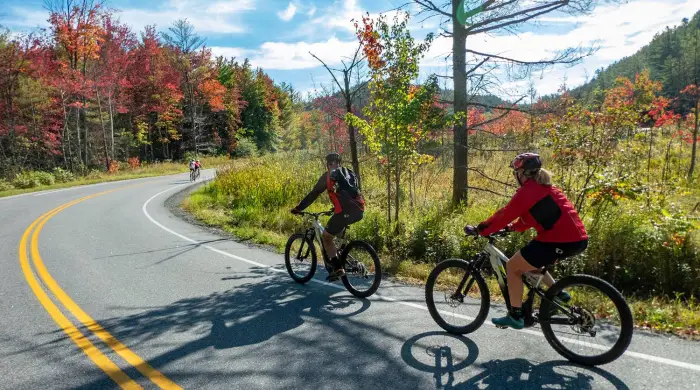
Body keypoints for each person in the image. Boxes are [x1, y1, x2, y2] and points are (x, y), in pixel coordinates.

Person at [465, 152, 588, 329]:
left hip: (559, 240)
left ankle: (516, 315)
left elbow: (505, 213)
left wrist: (481, 229)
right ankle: (558, 294)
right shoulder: (544, 189)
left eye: (516, 173)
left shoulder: (529, 190)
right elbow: (529, 219)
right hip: (575, 240)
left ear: (522, 173)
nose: (515, 177)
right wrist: (511, 228)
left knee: (513, 266)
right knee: (532, 263)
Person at [291, 152, 365, 281]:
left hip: (344, 212)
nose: (332, 166)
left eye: (330, 164)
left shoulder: (328, 176)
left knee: (326, 237)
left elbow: (314, 194)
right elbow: (349, 193)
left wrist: (299, 208)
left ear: (327, 164)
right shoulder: (348, 172)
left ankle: (337, 268)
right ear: (340, 162)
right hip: (359, 210)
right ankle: (345, 259)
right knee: (335, 235)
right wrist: (336, 207)